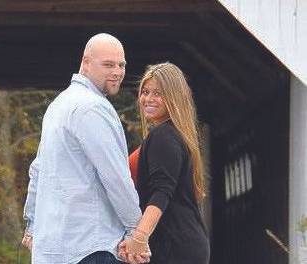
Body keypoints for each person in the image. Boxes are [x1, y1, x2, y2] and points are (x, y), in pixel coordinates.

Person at [21, 33, 150, 264]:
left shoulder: (59, 105)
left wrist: (31, 223)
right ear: (86, 62)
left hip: (53, 249)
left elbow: (38, 170)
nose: (117, 72)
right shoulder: (92, 108)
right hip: (90, 246)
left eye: (121, 65)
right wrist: (136, 231)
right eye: (108, 64)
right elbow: (115, 177)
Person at [119, 62, 210, 264]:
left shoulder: (164, 137)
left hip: (173, 247)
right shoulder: (175, 135)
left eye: (157, 94)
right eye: (145, 92)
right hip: (183, 244)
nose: (148, 99)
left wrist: (139, 237)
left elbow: (161, 193)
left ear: (174, 97)